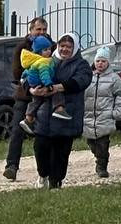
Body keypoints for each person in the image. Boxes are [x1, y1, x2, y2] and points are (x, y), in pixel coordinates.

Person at [30, 32, 92, 190]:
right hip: (45, 115)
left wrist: (57, 87)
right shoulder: (48, 60)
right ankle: (43, 174)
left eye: (69, 47)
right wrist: (32, 90)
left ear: (74, 48)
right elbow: (30, 75)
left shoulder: (81, 64)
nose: (64, 49)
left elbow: (81, 81)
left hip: (67, 115)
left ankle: (55, 182)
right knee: (40, 147)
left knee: (60, 153)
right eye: (62, 46)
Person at [3, 15, 48, 182]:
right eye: (38, 29)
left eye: (44, 29)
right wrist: (31, 83)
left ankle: (44, 170)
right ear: (31, 30)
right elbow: (17, 73)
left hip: (45, 95)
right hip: (25, 95)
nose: (41, 32)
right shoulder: (22, 47)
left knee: (44, 134)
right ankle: (11, 166)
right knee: (17, 131)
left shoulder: (51, 45)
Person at [83, 46, 121, 179]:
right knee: (92, 143)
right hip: (89, 116)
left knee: (103, 144)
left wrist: (116, 112)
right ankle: (98, 156)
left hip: (105, 116)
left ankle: (102, 166)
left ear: (108, 63)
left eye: (103, 61)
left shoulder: (114, 78)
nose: (100, 64)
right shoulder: (88, 77)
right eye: (98, 61)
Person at [18, 36, 72, 132]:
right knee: (56, 92)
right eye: (45, 50)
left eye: (49, 49)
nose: (49, 52)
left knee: (36, 101)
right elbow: (44, 74)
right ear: (39, 52)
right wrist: (48, 84)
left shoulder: (35, 60)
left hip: (35, 85)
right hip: (42, 83)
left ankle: (28, 118)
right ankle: (59, 109)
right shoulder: (44, 61)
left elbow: (27, 71)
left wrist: (23, 78)